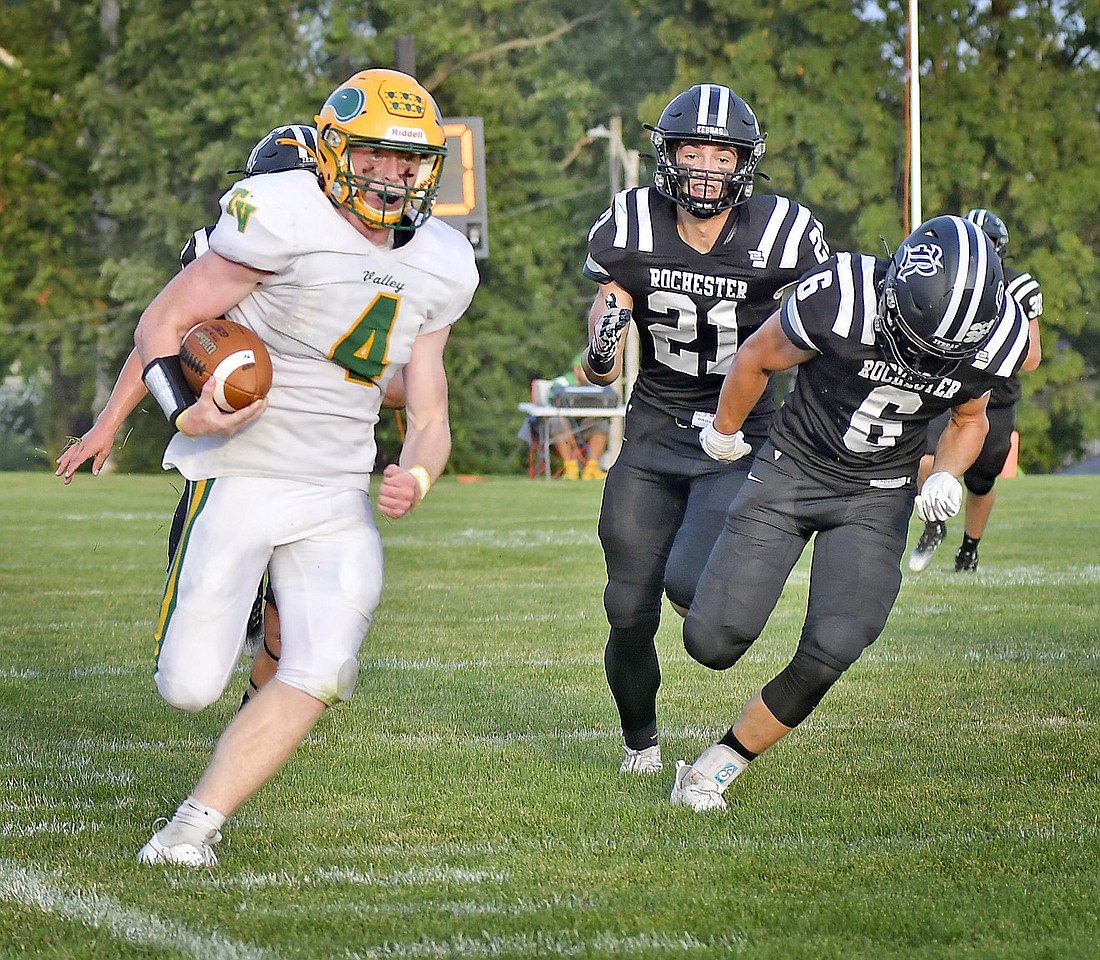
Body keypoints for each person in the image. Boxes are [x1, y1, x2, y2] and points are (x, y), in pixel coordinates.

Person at [130, 68, 478, 866]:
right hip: (243, 473)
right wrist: (182, 410)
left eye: (410, 160)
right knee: (186, 688)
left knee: (322, 668)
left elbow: (429, 414)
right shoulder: (279, 214)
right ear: (330, 153)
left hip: (335, 491)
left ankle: (190, 831)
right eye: (376, 156)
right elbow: (167, 318)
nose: (393, 176)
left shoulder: (444, 261)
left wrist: (417, 474)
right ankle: (242, 632)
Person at [670, 215, 1031, 812]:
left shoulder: (998, 336)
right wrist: (724, 432)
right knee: (712, 641)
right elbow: (758, 356)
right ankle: (695, 571)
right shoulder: (842, 292)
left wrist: (945, 472)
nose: (929, 358)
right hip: (794, 468)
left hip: (879, 489)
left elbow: (970, 420)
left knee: (838, 641)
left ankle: (714, 768)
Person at [580, 83, 831, 775]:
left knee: (691, 590)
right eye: (692, 150)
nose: (704, 167)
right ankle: (640, 743)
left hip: (740, 434)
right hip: (657, 427)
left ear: (743, 163)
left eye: (720, 154)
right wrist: (602, 348)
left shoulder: (785, 233)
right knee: (627, 604)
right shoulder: (633, 222)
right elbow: (602, 356)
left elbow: (820, 328)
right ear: (667, 156)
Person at [907, 208, 1043, 572]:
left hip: (996, 396)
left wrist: (988, 346)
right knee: (924, 458)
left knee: (981, 481)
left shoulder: (1020, 287)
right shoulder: (948, 277)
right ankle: (935, 523)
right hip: (952, 386)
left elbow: (1031, 358)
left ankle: (969, 549)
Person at [550, 349, 612, 480]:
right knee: (557, 421)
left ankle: (591, 467)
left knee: (602, 423)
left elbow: (610, 396)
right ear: (577, 370)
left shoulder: (596, 383)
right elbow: (551, 399)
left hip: (586, 425)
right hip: (566, 425)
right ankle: (570, 466)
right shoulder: (562, 383)